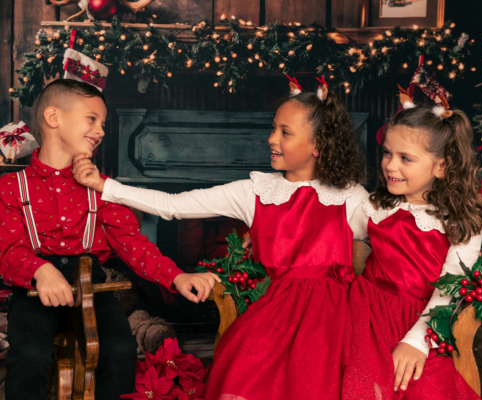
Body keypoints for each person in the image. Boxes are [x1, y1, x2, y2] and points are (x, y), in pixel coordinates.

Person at [73, 77, 369, 399]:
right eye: (273, 128)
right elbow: (174, 206)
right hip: (274, 315)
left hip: (335, 321)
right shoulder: (256, 192)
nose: (271, 138)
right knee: (244, 371)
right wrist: (108, 187)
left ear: (318, 144)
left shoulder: (351, 197)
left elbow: (395, 239)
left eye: (285, 132)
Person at [0, 79, 219, 399]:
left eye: (103, 123)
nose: (100, 130)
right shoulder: (10, 187)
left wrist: (176, 275)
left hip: (93, 287)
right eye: (92, 119)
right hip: (34, 291)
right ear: (53, 117)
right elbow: (7, 251)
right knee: (29, 354)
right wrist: (40, 271)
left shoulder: (103, 188)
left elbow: (133, 244)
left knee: (119, 349)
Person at [342, 99, 482, 400]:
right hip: (365, 316)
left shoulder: (460, 221)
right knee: (361, 385)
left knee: (425, 388)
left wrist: (417, 341)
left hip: (422, 322)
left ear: (441, 166)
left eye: (405, 158)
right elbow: (331, 236)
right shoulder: (374, 206)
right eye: (387, 153)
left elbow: (452, 286)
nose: (390, 165)